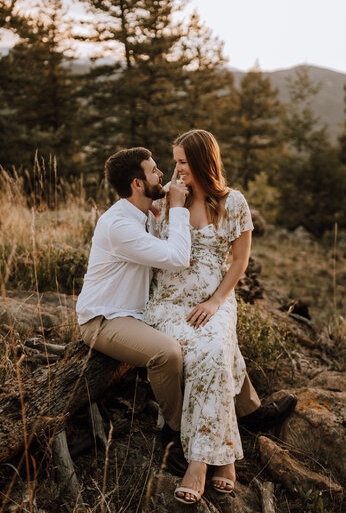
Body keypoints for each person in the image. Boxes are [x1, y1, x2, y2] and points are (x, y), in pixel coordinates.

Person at [144, 129, 296, 504]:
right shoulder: (164, 202)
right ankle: (227, 452)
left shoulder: (234, 202)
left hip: (214, 301)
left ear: (202, 162)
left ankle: (198, 462)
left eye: (182, 162)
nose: (175, 170)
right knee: (203, 357)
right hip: (168, 303)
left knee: (212, 353)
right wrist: (169, 203)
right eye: (174, 161)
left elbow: (240, 261)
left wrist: (215, 302)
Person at [76, 147, 191, 450]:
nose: (162, 174)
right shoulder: (120, 226)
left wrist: (176, 186)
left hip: (137, 313)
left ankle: (249, 411)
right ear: (137, 184)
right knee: (168, 353)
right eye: (154, 171)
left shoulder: (139, 209)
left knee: (212, 332)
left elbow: (163, 190)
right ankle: (175, 436)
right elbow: (177, 257)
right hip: (105, 319)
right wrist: (178, 208)